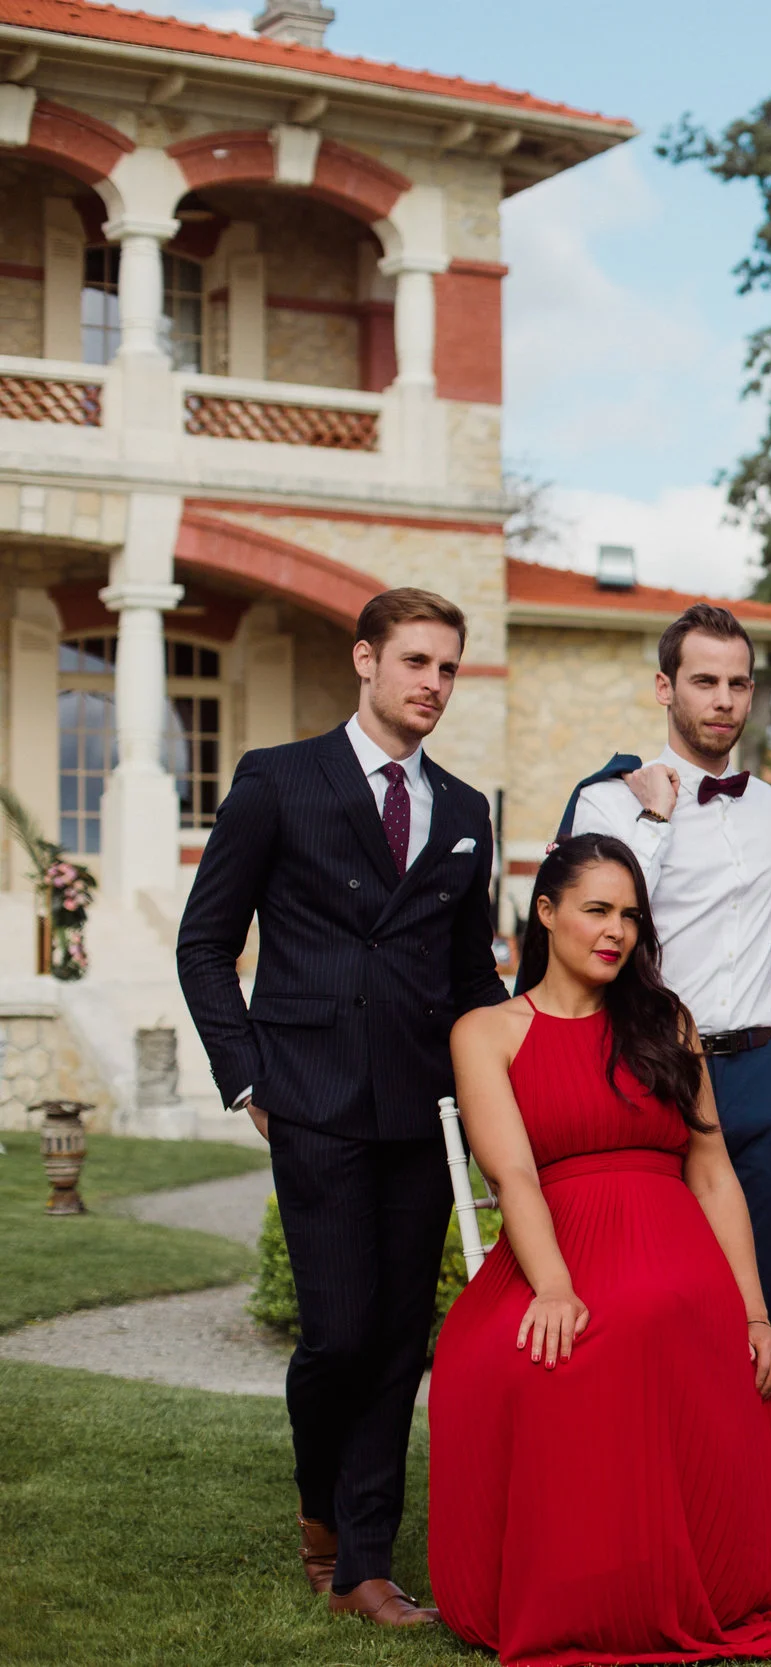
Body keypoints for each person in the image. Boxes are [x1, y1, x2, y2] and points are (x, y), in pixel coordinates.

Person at [176, 588, 507, 1629]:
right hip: (310, 1098)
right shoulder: (279, 780)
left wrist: (517, 1073)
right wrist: (250, 1078)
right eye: (416, 660)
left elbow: (469, 980)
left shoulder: (463, 811)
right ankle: (323, 1509)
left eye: (449, 667)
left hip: (420, 1104)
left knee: (401, 1334)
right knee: (339, 1333)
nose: (433, 684)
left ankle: (364, 1559)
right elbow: (203, 942)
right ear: (365, 659)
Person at [428, 836, 771, 1665]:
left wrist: (754, 1310)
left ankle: (693, 1577)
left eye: (630, 915)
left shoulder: (666, 1022)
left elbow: (715, 1173)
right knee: (527, 1359)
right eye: (597, 910)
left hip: (673, 1248)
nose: (616, 931)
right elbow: (511, 1175)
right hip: (555, 1247)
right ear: (546, 913)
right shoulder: (487, 1030)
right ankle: (588, 1584)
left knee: (664, 1318)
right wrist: (552, 1286)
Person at [561, 604, 771, 1313]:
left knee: (755, 1291)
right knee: (653, 1288)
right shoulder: (608, 799)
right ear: (665, 688)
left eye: (738, 683)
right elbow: (602, 923)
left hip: (760, 1071)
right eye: (704, 681)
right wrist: (657, 819)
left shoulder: (767, 806)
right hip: (654, 1063)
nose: (723, 700)